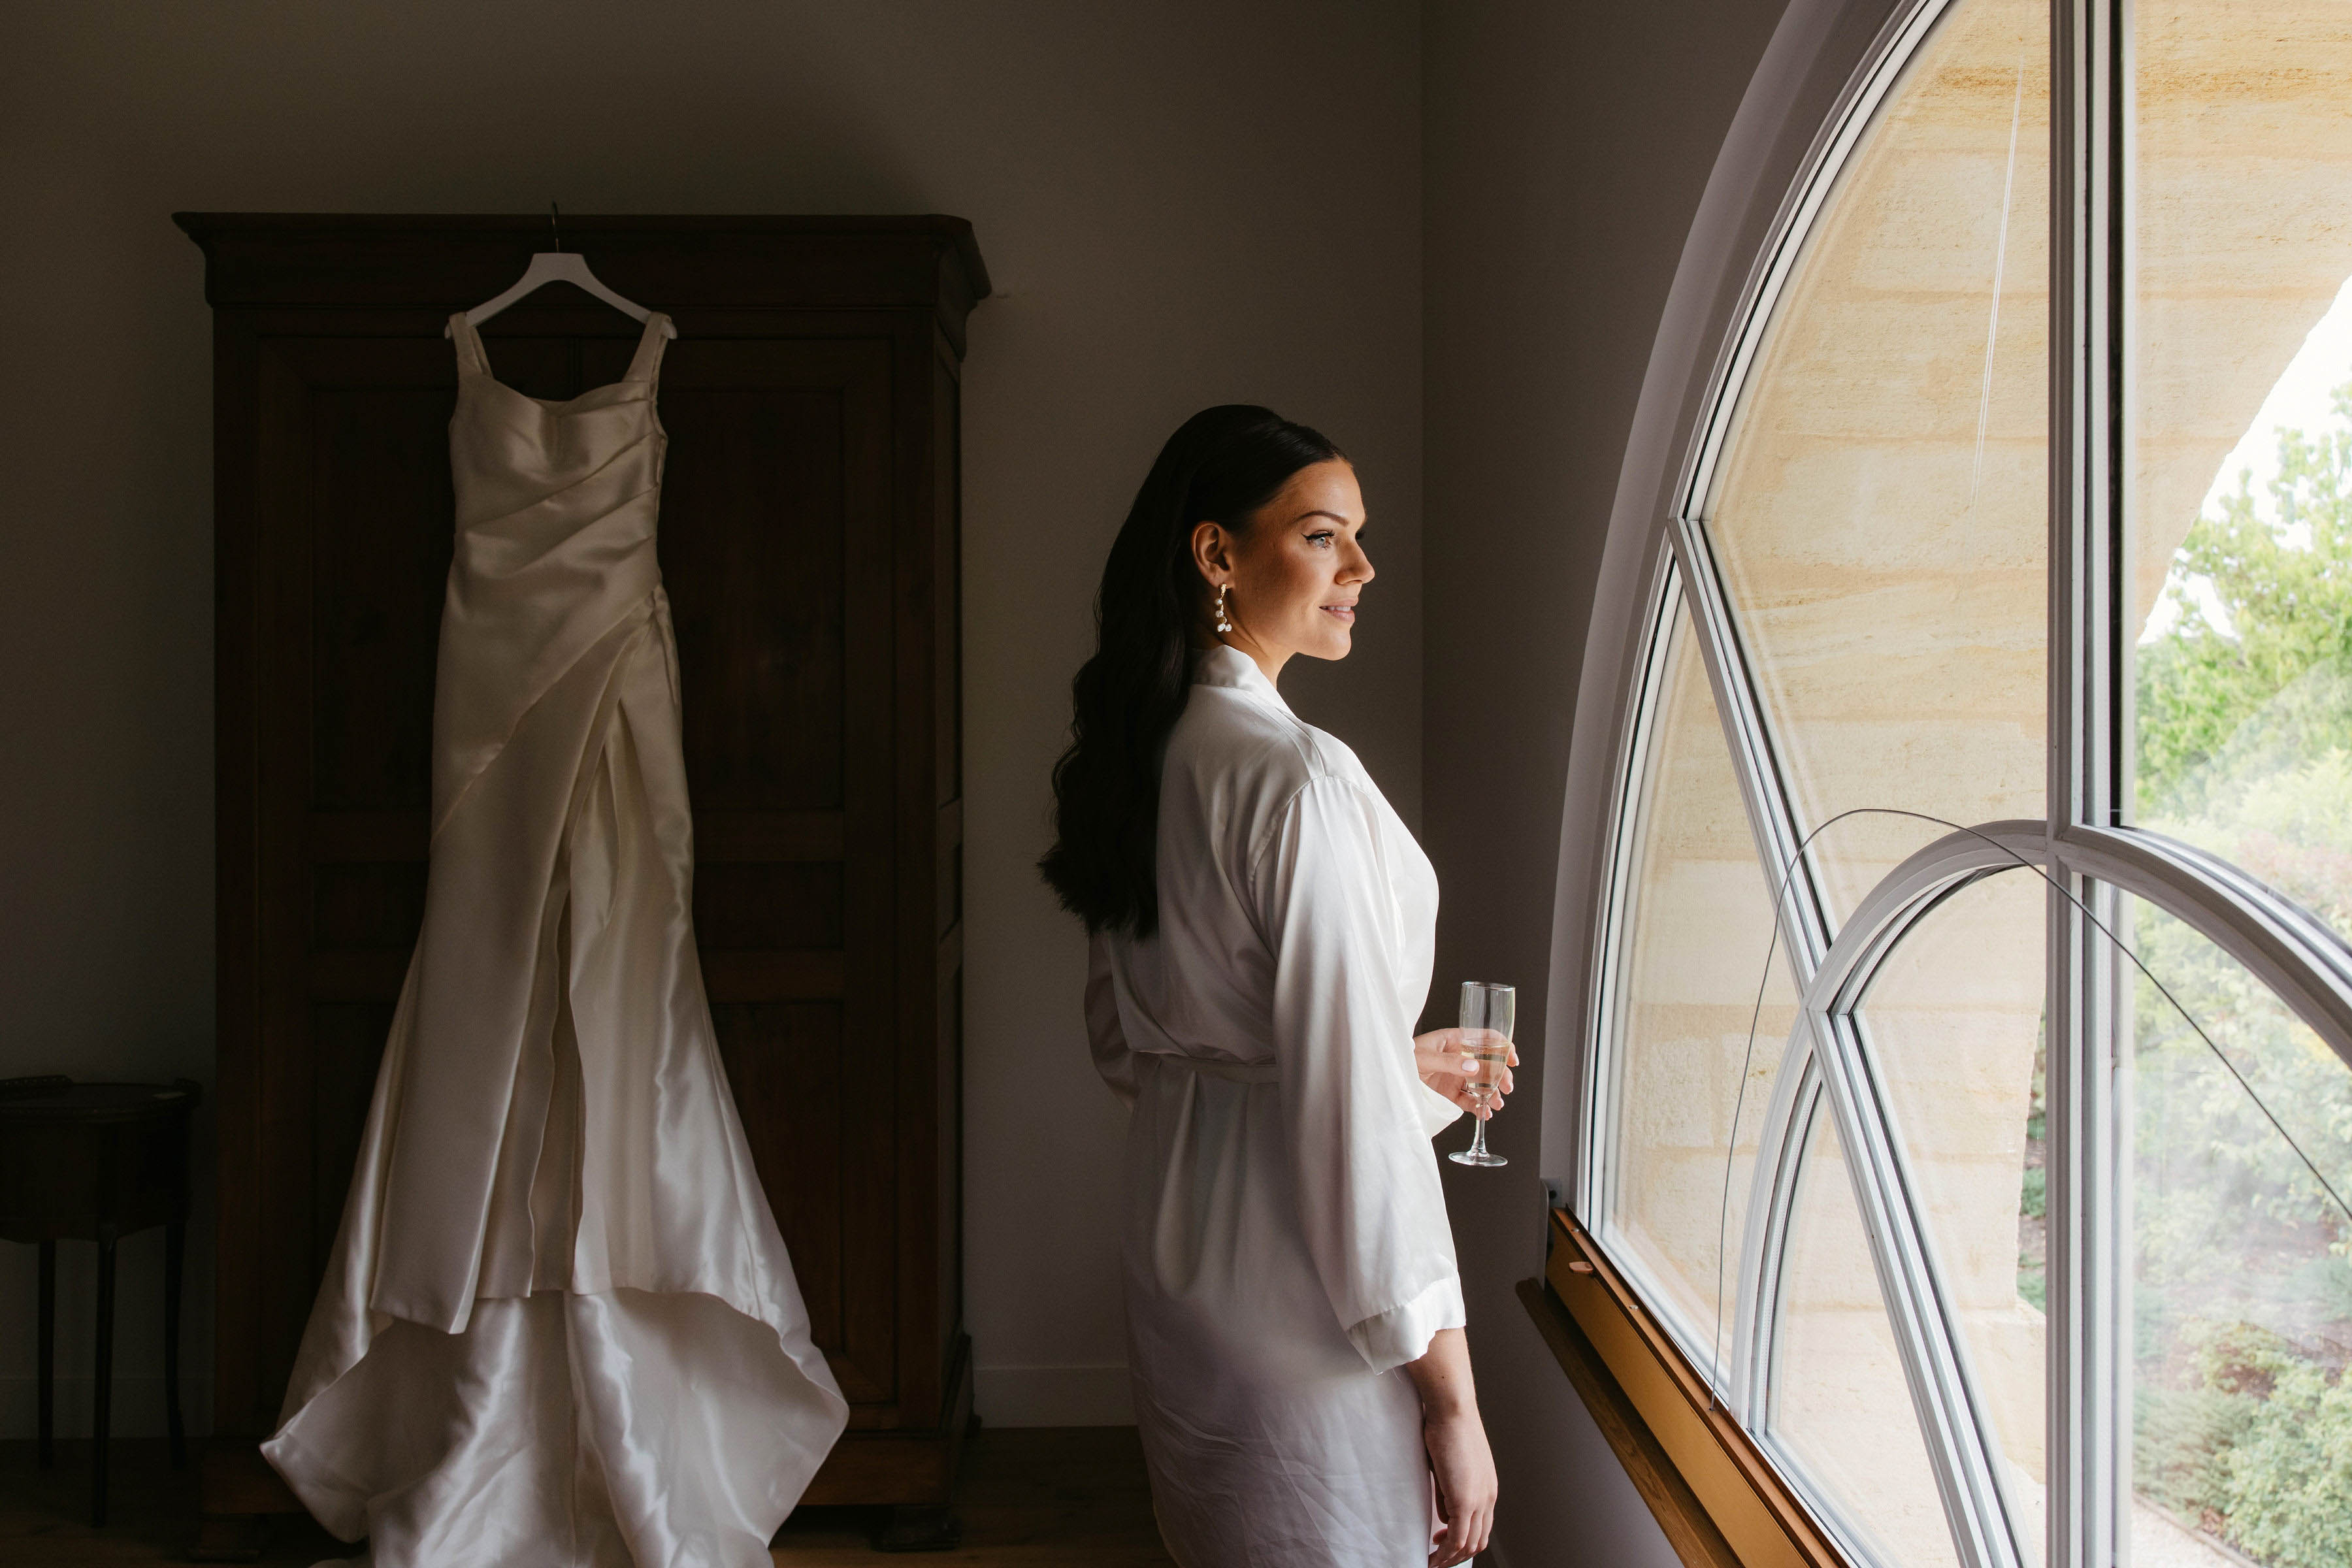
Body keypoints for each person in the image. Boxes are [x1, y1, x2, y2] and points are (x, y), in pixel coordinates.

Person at [1039, 405, 1509, 1567]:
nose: (1362, 567)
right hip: (1311, 1319)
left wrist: (1383, 1068)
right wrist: (1451, 1399)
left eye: (1355, 537)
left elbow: (1133, 1047)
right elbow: (1346, 1131)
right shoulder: (1297, 782)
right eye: (1321, 536)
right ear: (1217, 555)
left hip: (1185, 1268)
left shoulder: (1142, 759)